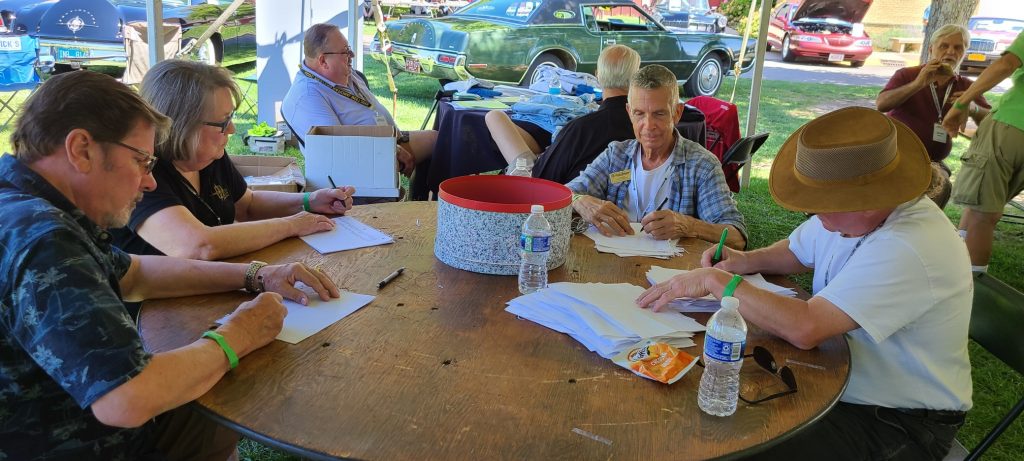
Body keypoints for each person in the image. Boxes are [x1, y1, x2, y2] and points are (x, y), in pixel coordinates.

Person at [1, 70, 342, 459]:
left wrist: (257, 275)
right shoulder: (44, 239)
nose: (149, 182)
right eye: (141, 161)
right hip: (87, 444)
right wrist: (238, 334)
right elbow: (127, 398)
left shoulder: (30, 208)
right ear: (81, 149)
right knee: (225, 381)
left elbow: (134, 273)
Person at [638, 107, 972, 460]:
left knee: (731, 445)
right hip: (841, 383)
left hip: (895, 420)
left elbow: (805, 328)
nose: (817, 218)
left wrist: (716, 280)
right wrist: (745, 261)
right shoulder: (856, 212)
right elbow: (798, 249)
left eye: (823, 207)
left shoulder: (910, 245)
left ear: (869, 202)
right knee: (708, 416)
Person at [111, 59, 355, 261]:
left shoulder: (208, 156)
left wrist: (309, 201)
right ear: (182, 125)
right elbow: (197, 246)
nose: (232, 129)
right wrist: (291, 225)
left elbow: (247, 205)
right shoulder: (145, 173)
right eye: (223, 121)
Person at [566, 64, 746, 248]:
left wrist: (689, 226)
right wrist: (580, 201)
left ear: (677, 113)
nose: (648, 125)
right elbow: (563, 195)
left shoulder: (701, 165)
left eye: (659, 114)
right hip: (613, 261)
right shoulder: (616, 155)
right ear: (629, 112)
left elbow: (737, 236)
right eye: (639, 113)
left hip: (674, 265)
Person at [281, 22, 437, 178]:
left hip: (388, 143)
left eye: (348, 49)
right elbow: (338, 148)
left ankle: (423, 191)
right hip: (361, 162)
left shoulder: (343, 73)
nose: (352, 55)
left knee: (439, 139)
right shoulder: (307, 96)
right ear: (323, 61)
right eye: (345, 52)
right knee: (438, 143)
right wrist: (391, 149)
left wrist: (393, 142)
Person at [483, 44, 640, 184]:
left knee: (494, 117)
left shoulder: (582, 129)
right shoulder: (642, 127)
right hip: (615, 189)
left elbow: (543, 178)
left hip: (551, 192)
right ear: (635, 78)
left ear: (597, 75)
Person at [876, 24, 990, 208]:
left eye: (958, 47)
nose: (950, 52)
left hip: (933, 162)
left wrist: (972, 108)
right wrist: (918, 84)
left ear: (964, 52)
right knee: (897, 194)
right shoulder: (908, 75)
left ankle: (921, 224)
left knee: (941, 189)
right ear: (931, 49)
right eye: (944, 46)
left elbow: (991, 121)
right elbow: (882, 104)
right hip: (897, 156)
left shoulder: (967, 86)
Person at [942, 30, 1024, 273]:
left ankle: (969, 287)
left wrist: (961, 103)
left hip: (1011, 127)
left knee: (982, 214)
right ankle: (954, 265)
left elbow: (1006, 64)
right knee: (980, 204)